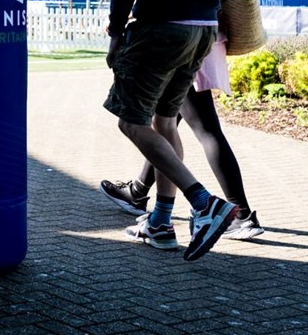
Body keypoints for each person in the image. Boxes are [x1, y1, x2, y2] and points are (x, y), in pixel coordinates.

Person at [102, 0, 238, 261]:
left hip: (161, 28)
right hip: (202, 30)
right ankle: (160, 223)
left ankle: (205, 203)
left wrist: (115, 30)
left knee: (131, 122)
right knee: (165, 123)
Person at [100, 30, 265, 241]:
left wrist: (118, 26)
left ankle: (241, 214)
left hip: (183, 42)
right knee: (166, 123)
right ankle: (139, 191)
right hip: (205, 37)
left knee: (204, 129)